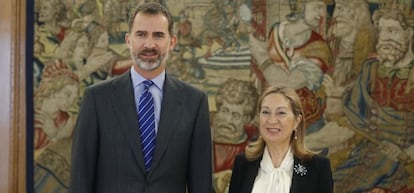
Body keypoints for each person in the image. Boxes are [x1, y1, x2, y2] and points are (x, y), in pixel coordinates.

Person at [69, 2, 212, 193]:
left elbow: (201, 185)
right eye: (141, 34)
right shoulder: (96, 99)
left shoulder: (195, 102)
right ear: (128, 40)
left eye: (158, 35)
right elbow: (80, 181)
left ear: (172, 42)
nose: (149, 44)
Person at [229, 85, 333, 193]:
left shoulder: (318, 168)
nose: (272, 120)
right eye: (266, 112)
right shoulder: (243, 164)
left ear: (297, 121)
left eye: (281, 113)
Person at [249, 0, 333, 134]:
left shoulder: (319, 47)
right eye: (317, 7)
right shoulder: (277, 30)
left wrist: (262, 57)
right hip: (271, 118)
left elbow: (288, 83)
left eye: (324, 9)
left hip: (304, 123)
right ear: (301, 6)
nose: (322, 14)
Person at [212, 78, 259, 193]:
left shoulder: (255, 147)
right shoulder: (200, 137)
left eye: (236, 115)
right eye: (224, 111)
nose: (227, 120)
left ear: (246, 119)